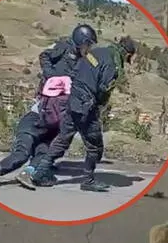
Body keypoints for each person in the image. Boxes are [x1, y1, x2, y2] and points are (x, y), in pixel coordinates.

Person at [25, 36, 137, 192]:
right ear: (128, 54)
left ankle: (39, 173)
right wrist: (98, 106)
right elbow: (104, 89)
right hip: (86, 107)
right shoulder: (114, 64)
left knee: (63, 139)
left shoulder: (97, 52)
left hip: (73, 100)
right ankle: (88, 180)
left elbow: (76, 70)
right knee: (95, 147)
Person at [0, 76, 71, 188]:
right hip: (38, 125)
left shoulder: (48, 98)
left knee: (39, 153)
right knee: (25, 154)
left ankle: (26, 174)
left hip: (37, 125)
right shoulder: (65, 101)